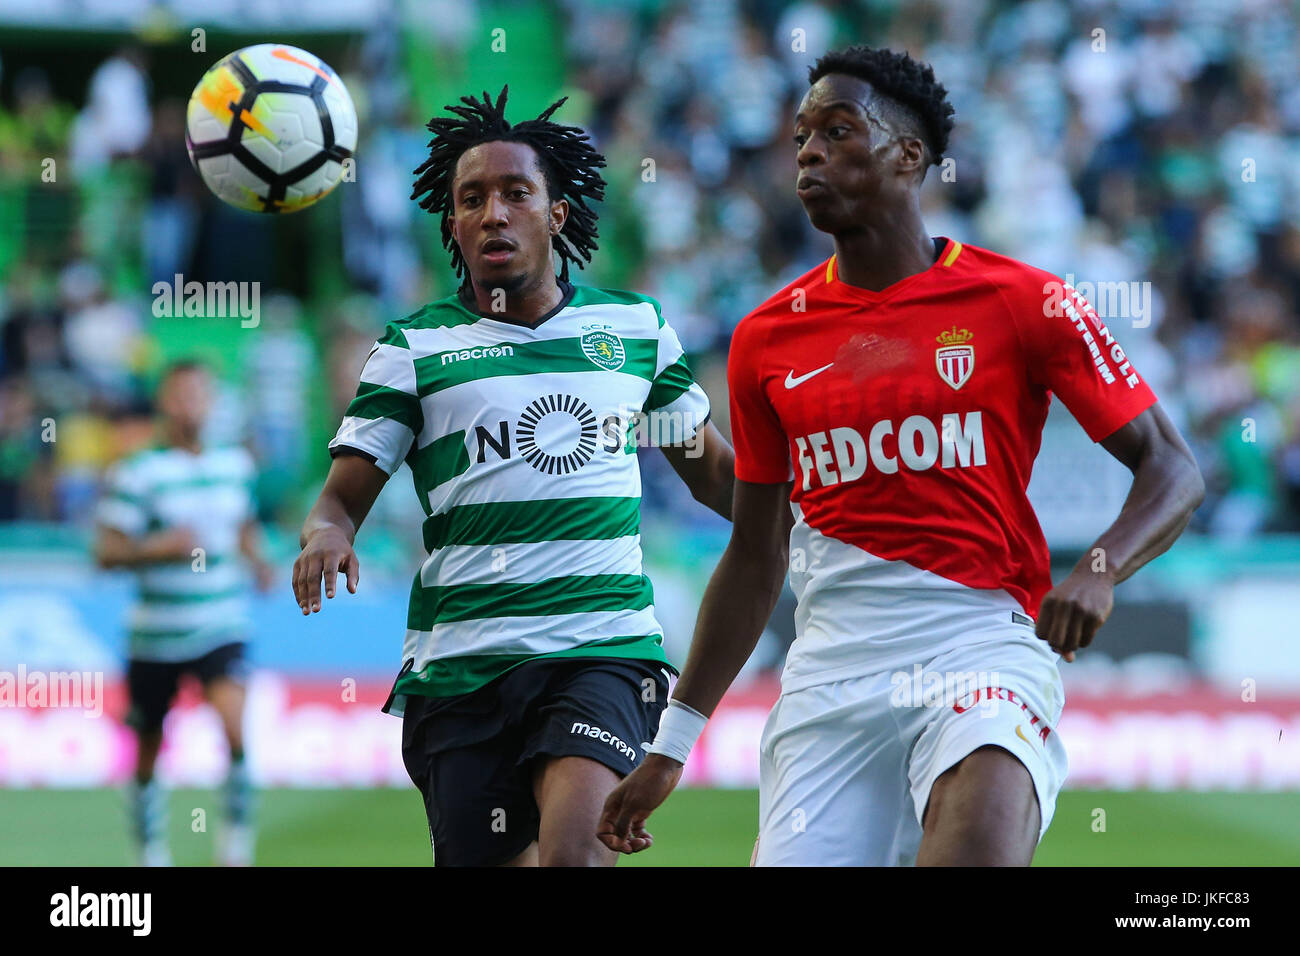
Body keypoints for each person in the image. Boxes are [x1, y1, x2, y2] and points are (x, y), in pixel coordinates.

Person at [598, 46, 1205, 866]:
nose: (809, 152)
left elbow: (1172, 466)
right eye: (802, 136)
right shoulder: (766, 338)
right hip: (830, 682)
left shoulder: (1024, 301)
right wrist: (676, 739)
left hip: (979, 649)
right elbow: (753, 549)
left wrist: (1099, 566)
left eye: (838, 132)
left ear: (908, 155)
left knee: (982, 832)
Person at [294, 88, 734, 867]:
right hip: (462, 670)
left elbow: (716, 479)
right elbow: (340, 499)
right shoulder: (415, 349)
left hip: (601, 649)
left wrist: (827, 517)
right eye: (472, 199)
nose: (493, 212)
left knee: (576, 852)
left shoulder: (632, 331)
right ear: (453, 225)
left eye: (515, 193)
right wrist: (327, 535)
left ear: (556, 214)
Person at [95, 359, 274, 866]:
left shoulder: (234, 464)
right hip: (156, 632)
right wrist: (158, 548)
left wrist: (258, 560)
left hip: (221, 620)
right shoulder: (139, 471)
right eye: (180, 395)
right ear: (164, 403)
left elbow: (242, 525)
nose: (190, 404)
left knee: (236, 728)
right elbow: (106, 552)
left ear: (212, 401)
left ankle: (234, 846)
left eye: (200, 394)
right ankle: (151, 851)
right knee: (149, 748)